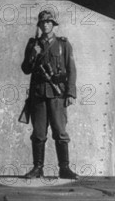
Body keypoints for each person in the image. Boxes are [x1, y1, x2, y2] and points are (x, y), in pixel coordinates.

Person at [21, 10, 78, 179]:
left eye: (49, 22)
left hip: (57, 94)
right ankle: (38, 168)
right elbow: (25, 69)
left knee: (60, 132)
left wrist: (70, 93)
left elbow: (71, 70)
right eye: (43, 23)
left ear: (53, 24)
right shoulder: (33, 44)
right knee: (38, 133)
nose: (46, 25)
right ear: (39, 25)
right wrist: (34, 54)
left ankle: (64, 168)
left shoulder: (63, 44)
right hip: (38, 94)